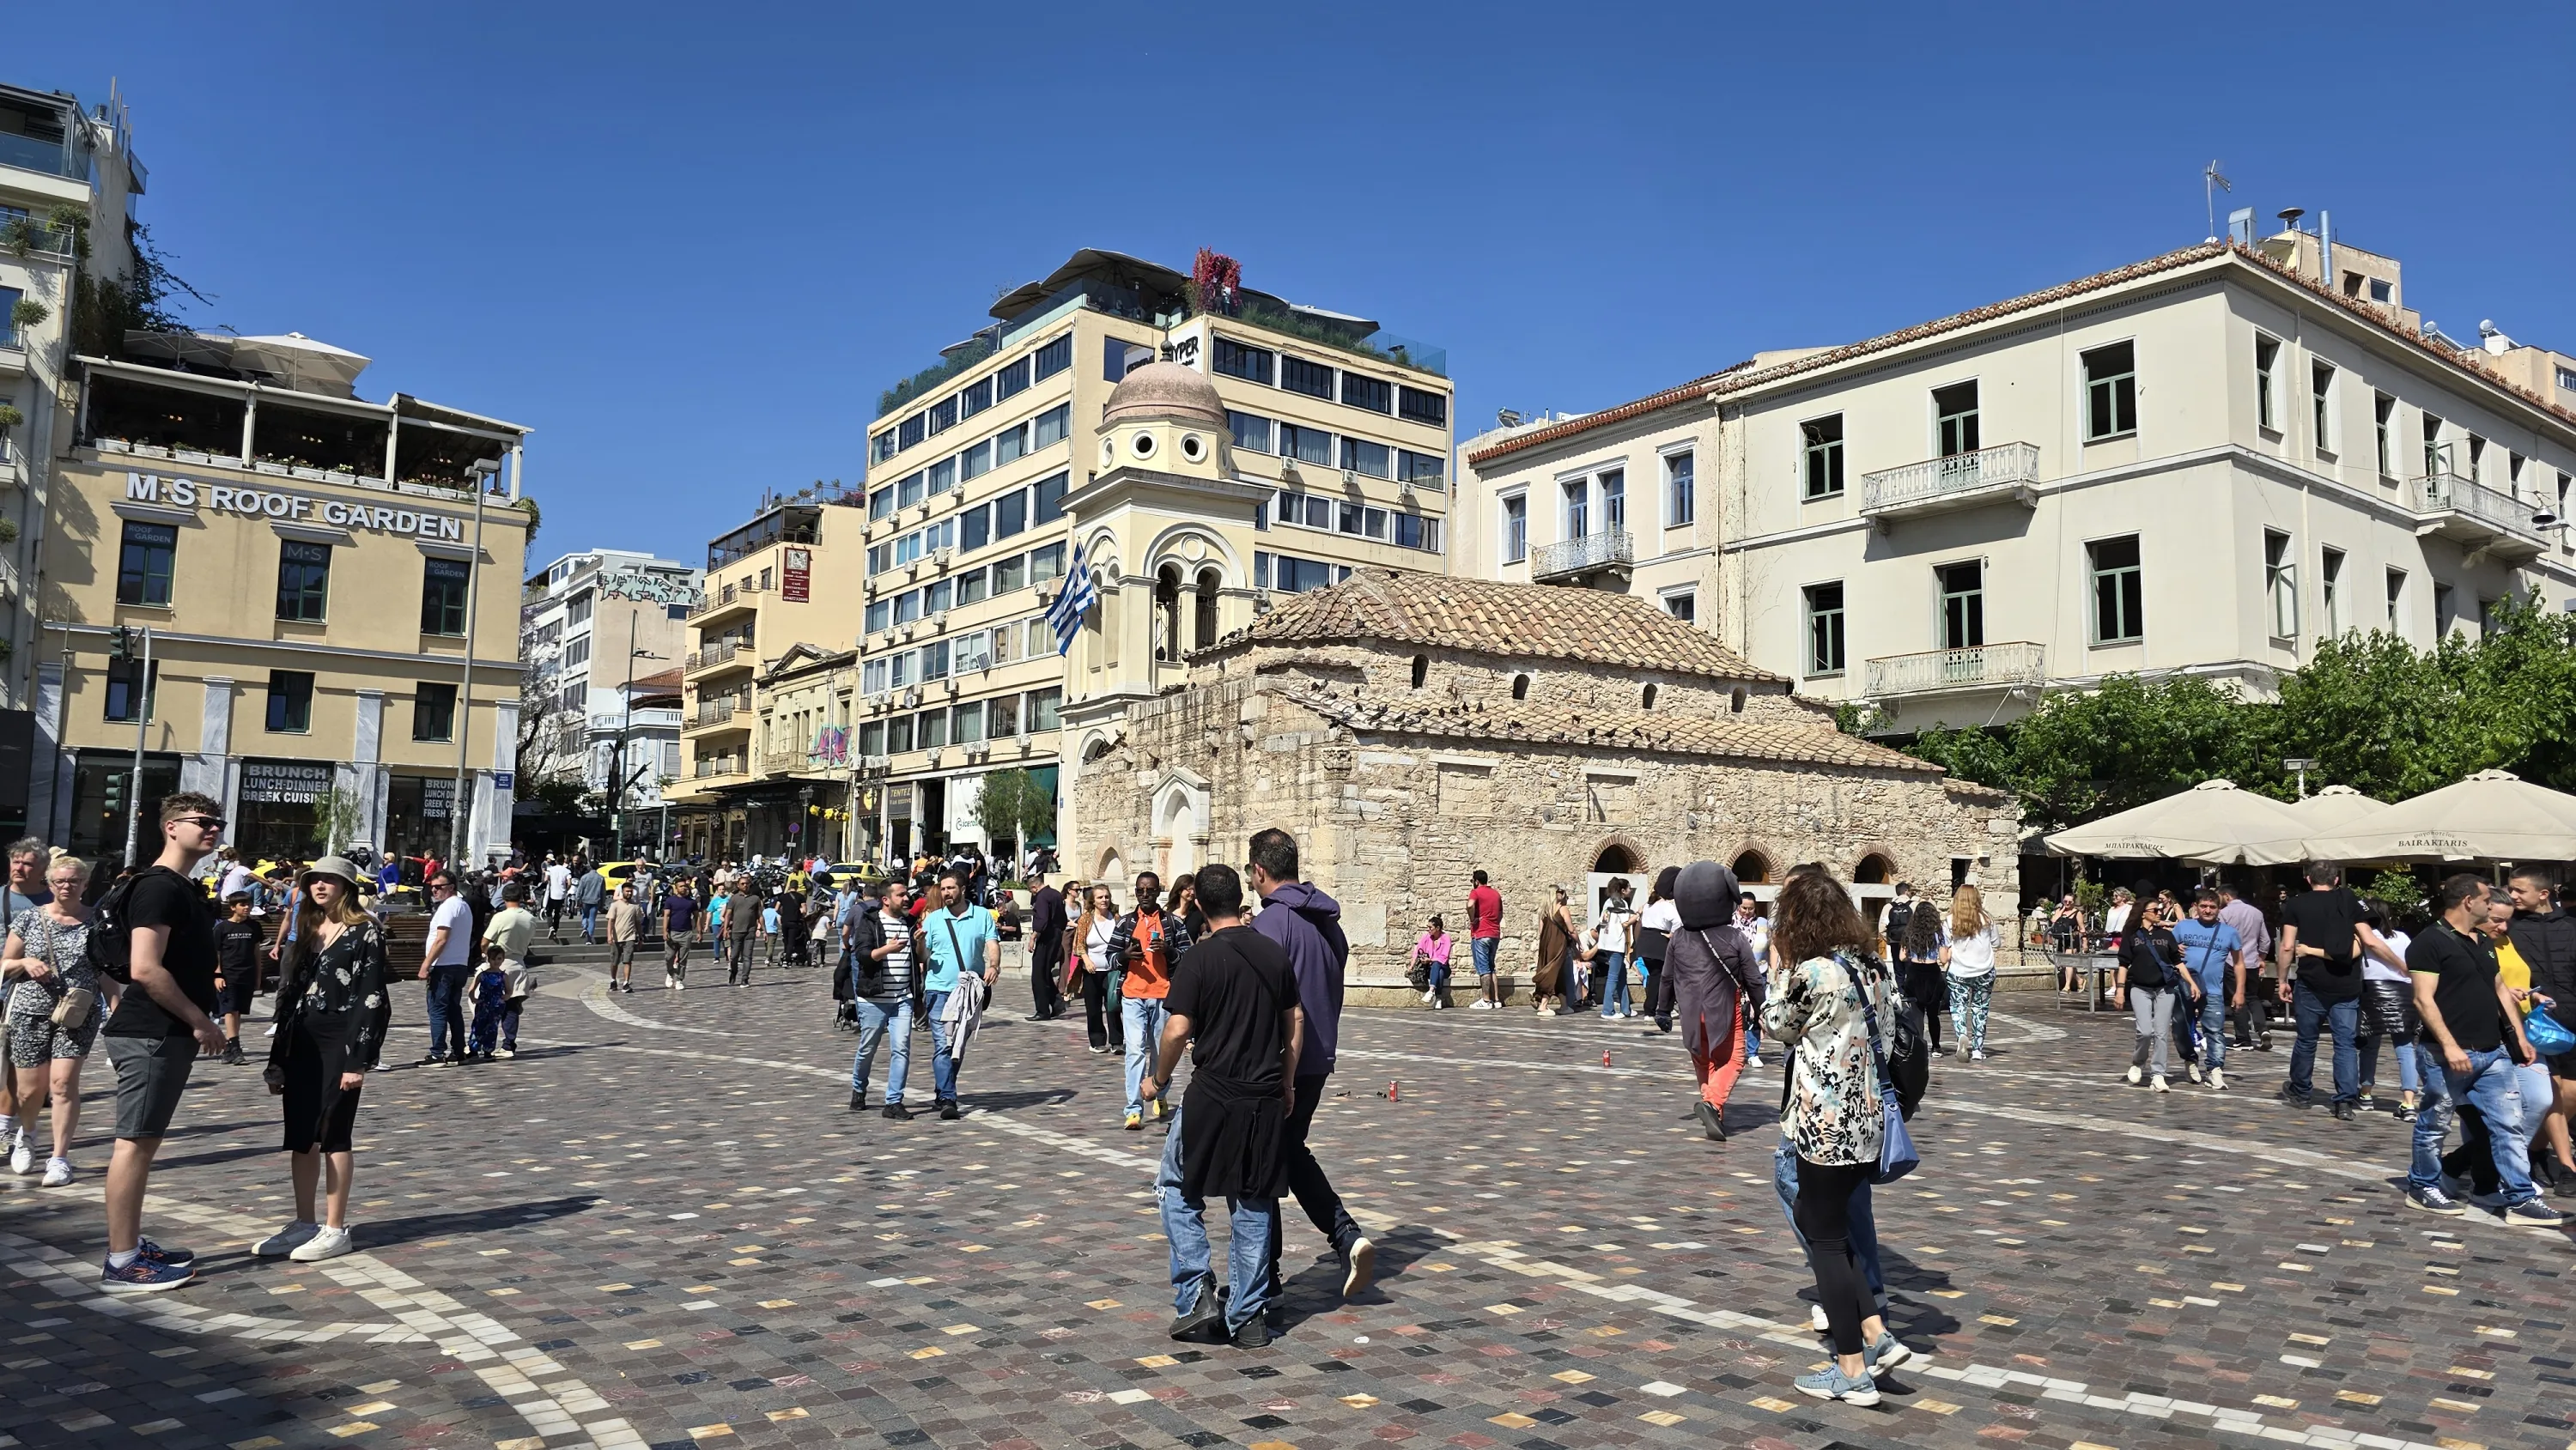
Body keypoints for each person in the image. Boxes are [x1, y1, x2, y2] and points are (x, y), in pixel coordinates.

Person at [1763, 868, 1911, 1404]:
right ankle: (1874, 1331)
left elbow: (1775, 1024)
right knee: (1821, 1221)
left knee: (1824, 1240)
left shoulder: (1814, 973)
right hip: (1869, 1121)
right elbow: (1888, 1035)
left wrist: (1778, 971)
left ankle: (1850, 1370)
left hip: (1825, 1125)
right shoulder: (1872, 966)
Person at [1139, 865, 1302, 1349]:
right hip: (1263, 1095)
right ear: (1239, 897)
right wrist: (1287, 1081)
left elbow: (1177, 1029)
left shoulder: (1200, 958)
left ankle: (1196, 1294)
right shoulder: (1272, 953)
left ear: (1200, 904)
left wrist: (1158, 1080)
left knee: (1174, 1185)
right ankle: (1248, 1317)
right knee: (1253, 1201)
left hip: (1212, 1093)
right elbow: (1294, 1019)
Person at [99, 792, 229, 1292]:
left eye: (218, 822)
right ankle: (122, 1260)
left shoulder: (179, 887)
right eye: (203, 821)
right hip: (152, 1033)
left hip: (159, 1032)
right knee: (134, 1144)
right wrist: (201, 1022)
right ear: (171, 827)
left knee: (143, 1143)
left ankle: (130, 1244)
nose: (213, 829)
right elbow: (145, 968)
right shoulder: (158, 887)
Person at [1245, 828, 1372, 1300]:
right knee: (1286, 1151)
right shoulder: (1327, 922)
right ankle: (1343, 1237)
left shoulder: (1270, 925)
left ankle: (1269, 1274)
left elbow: (1259, 998)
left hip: (1282, 1058)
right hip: (1320, 1055)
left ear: (1260, 871)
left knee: (1264, 1160)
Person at [2405, 874, 2565, 1226]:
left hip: (2494, 1052)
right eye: (2486, 901)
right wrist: (2450, 1046)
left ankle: (2520, 1198)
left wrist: (2519, 1037)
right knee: (2435, 1123)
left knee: (2509, 1124)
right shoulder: (2429, 942)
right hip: (2446, 1054)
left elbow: (2500, 990)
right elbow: (2422, 999)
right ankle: (2423, 1185)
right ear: (2468, 902)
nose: (2492, 906)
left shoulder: (2483, 941)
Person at [252, 857, 387, 1263]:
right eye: (315, 880)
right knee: (301, 1135)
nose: (320, 886)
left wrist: (358, 1060)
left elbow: (372, 997)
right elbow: (288, 995)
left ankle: (335, 1228)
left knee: (334, 1132)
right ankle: (304, 1222)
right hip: (300, 1040)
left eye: (330, 880)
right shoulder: (308, 928)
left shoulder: (365, 930)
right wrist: (277, 1059)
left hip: (339, 1041)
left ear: (347, 887)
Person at [3, 855, 103, 1186]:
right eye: (60, 881)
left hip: (77, 1013)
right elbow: (5, 963)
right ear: (49, 884)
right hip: (29, 1012)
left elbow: (105, 971)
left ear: (85, 884)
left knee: (63, 1084)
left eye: (74, 881)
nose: (67, 886)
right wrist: (25, 962)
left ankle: (59, 1159)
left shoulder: (97, 922)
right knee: (29, 1092)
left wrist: (117, 1007)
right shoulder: (31, 918)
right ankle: (27, 1133)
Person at [2278, 861, 2403, 1120]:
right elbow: (2370, 941)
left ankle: (2301, 1092)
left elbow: (2287, 946)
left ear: (2308, 879)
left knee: (2306, 1040)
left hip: (2311, 981)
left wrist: (2282, 980)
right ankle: (2345, 1101)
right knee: (2345, 1044)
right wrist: (2402, 966)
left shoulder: (2296, 904)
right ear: (2336, 880)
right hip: (2346, 983)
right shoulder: (2350, 901)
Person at [2488, 895, 2576, 1194]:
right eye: (2497, 919)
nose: (2504, 925)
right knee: (2488, 1108)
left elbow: (2521, 978)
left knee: (2544, 1098)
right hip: (2494, 1034)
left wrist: (2533, 994)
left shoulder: (2507, 940)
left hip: (2526, 1030)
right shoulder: (2478, 944)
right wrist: (2500, 994)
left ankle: (2532, 1153)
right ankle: (2487, 1167)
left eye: (2505, 920)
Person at [1667, 859, 1759, 1139]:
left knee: (1703, 1060)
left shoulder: (1678, 937)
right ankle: (1712, 1104)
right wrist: (1761, 1007)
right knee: (1734, 1058)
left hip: (1690, 1010)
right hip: (1724, 1007)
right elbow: (1753, 978)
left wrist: (1661, 1010)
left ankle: (1715, 1115)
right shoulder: (1734, 937)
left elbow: (1667, 977)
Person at [1110, 872, 1192, 1130]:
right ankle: (1134, 1110)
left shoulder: (1172, 923)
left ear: (1159, 892)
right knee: (1135, 1051)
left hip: (1163, 996)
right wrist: (1125, 956)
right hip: (1132, 995)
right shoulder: (1125, 923)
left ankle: (1160, 1092)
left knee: (1159, 1052)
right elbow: (1109, 958)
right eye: (1140, 890)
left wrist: (1168, 951)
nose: (1145, 895)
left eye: (1150, 890)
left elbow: (1189, 957)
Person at [917, 869, 1000, 1120]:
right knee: (943, 1044)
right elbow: (923, 956)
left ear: (963, 889)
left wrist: (994, 966)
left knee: (957, 1045)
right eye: (943, 889)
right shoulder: (933, 919)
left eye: (950, 888)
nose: (946, 893)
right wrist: (919, 943)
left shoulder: (982, 915)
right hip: (938, 989)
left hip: (968, 991)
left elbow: (993, 944)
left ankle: (943, 1089)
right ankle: (948, 1098)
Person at [847, 881, 925, 1118]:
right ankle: (859, 1088)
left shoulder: (909, 924)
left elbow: (918, 958)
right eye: (901, 895)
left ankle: (893, 1102)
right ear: (886, 900)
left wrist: (920, 942)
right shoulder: (870, 922)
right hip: (874, 999)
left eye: (907, 894)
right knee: (868, 1048)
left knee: (901, 1049)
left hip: (902, 999)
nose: (907, 898)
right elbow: (862, 955)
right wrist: (887, 949)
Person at [2113, 889, 2189, 1092]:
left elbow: (2177, 961)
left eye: (2160, 909)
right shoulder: (2131, 936)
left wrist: (2192, 983)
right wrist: (2120, 990)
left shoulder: (2166, 935)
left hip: (2165, 989)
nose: (2159, 912)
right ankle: (2138, 1062)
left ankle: (2158, 1074)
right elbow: (2123, 964)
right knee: (2145, 1031)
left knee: (2161, 1032)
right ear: (2143, 913)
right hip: (2140, 988)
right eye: (2155, 910)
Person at [2172, 888, 2248, 1092]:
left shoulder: (2229, 933)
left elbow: (2239, 963)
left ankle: (2215, 1069)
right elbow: (2165, 951)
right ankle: (2189, 1060)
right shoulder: (2183, 927)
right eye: (2203, 906)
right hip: (2184, 988)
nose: (2207, 910)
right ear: (2196, 907)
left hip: (2213, 990)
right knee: (2181, 1029)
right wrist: (2173, 948)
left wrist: (2239, 991)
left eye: (2212, 907)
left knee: (2215, 1031)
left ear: (2219, 909)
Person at [2356, 904, 2422, 1118]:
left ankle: (2366, 1092)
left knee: (2370, 1045)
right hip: (2403, 991)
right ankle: (2409, 1101)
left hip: (2373, 990)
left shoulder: (2364, 936)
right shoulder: (2402, 937)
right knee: (2405, 1048)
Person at [416, 871, 474, 1065]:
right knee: (453, 1010)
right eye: (432, 887)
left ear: (451, 887)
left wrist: (426, 964)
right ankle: (458, 1051)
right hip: (459, 964)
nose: (434, 890)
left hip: (444, 966)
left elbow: (441, 939)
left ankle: (437, 1053)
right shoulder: (463, 906)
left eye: (438, 887)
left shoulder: (448, 907)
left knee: (437, 1009)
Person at [1939, 884, 2000, 1061]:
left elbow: (1944, 946)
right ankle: (1978, 1050)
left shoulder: (1950, 921)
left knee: (1958, 1007)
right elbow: (1996, 943)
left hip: (1959, 971)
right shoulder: (1987, 919)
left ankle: (1961, 1035)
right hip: (1985, 971)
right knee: (1980, 1009)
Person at [482, 883, 539, 1059]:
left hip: (499, 964)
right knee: (512, 1006)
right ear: (521, 897)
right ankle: (509, 1044)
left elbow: (485, 941)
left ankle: (485, 1044)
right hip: (519, 964)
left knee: (490, 1006)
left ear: (503, 898)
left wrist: (486, 955)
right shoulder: (530, 918)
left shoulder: (501, 917)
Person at [2216, 883, 2275, 1050]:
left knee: (2237, 998)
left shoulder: (2224, 913)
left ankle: (2243, 1037)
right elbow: (2266, 940)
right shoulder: (2256, 913)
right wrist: (2261, 957)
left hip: (2232, 961)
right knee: (2252, 997)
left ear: (2226, 896)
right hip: (2252, 961)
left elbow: (2220, 938)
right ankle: (2263, 1029)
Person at [1071, 884, 1123, 1054]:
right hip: (1092, 969)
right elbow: (1079, 944)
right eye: (1100, 897)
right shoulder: (1086, 919)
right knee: (1093, 1007)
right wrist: (1086, 960)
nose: (1104, 900)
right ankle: (1097, 1041)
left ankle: (1117, 1041)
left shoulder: (1116, 918)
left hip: (1112, 969)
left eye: (1106, 897)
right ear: (1093, 901)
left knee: (1113, 1005)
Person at [1892, 896, 1947, 1059]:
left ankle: (1919, 1045)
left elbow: (1902, 957)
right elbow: (1943, 959)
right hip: (1932, 973)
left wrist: (1913, 955)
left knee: (1917, 1014)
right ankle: (1936, 1047)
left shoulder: (1909, 933)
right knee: (1933, 1014)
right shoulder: (1938, 934)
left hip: (1915, 972)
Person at [213, 891, 263, 1065]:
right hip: (228, 975)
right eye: (242, 904)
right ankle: (236, 1049)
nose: (247, 907)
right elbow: (216, 953)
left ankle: (228, 1049)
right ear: (233, 907)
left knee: (238, 1011)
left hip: (247, 974)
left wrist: (258, 976)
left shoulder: (254, 926)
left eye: (248, 904)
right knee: (230, 1010)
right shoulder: (222, 928)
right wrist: (217, 974)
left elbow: (257, 952)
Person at [1637, 867, 1679, 1030]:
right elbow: (1678, 921)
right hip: (1658, 941)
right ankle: (1654, 1009)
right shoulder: (1666, 906)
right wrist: (1672, 934)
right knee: (1661, 977)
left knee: (1655, 976)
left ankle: (1654, 1008)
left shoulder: (1648, 905)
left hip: (1646, 941)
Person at [1592, 878, 1637, 1020]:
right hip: (1616, 944)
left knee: (1622, 974)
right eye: (1629, 888)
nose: (1630, 890)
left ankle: (1626, 1009)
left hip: (1606, 943)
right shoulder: (1621, 903)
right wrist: (1637, 916)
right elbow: (1625, 923)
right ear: (1622, 890)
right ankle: (1607, 1010)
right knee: (1613, 977)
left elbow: (1602, 921)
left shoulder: (1608, 902)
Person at [1026, 872, 1067, 1022]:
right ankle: (1057, 1004)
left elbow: (1042, 919)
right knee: (1044, 972)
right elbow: (1063, 918)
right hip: (1057, 935)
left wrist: (1033, 937)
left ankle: (1042, 1011)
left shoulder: (1042, 897)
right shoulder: (1056, 894)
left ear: (1034, 888)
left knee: (1038, 975)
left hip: (1046, 936)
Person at [1735, 895, 1771, 1065]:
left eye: (1751, 908)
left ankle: (1752, 1052)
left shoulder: (1763, 923)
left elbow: (1771, 947)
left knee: (1756, 1012)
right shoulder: (1730, 924)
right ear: (1738, 907)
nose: (1747, 912)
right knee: (1734, 1012)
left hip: (1758, 973)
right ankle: (1733, 1050)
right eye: (1744, 908)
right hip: (1734, 974)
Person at [1467, 870, 1504, 1010]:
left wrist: (1473, 919)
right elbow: (1500, 914)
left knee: (1483, 968)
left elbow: (1470, 905)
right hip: (1494, 934)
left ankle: (1486, 1000)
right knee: (1491, 967)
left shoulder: (1475, 892)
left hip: (1481, 933)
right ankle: (1497, 1000)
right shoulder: (1496, 894)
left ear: (1476, 881)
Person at [1534, 886, 1574, 1016]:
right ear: (1554, 894)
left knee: (1558, 975)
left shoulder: (1543, 911)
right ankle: (1543, 1005)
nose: (1561, 894)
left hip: (1546, 946)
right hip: (1558, 946)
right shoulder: (1562, 909)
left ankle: (1564, 1006)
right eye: (1559, 892)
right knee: (1552, 974)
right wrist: (1578, 942)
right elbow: (1571, 929)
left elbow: (1541, 932)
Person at [605, 883, 647, 994]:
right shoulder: (615, 905)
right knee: (615, 961)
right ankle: (613, 980)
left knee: (627, 960)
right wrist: (609, 935)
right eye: (627, 891)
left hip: (630, 936)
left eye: (631, 891)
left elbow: (638, 922)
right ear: (622, 891)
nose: (629, 893)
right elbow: (610, 921)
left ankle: (626, 983)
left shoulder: (635, 906)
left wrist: (640, 937)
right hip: (617, 937)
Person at [1412, 916, 1454, 1010]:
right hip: (1430, 969)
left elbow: (1443, 958)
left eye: (1430, 927)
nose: (1428, 929)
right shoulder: (1426, 937)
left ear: (1438, 928)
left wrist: (1430, 960)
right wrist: (1412, 966)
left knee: (1438, 964)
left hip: (1444, 967)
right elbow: (1417, 951)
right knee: (1439, 972)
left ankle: (1431, 991)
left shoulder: (1446, 938)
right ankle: (1438, 998)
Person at [663, 878, 699, 988]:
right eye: (680, 886)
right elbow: (666, 916)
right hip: (672, 932)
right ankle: (670, 973)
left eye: (684, 886)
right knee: (669, 957)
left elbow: (697, 917)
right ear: (676, 888)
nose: (683, 888)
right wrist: (664, 931)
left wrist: (699, 931)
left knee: (683, 959)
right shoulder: (670, 900)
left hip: (686, 933)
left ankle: (679, 979)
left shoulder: (692, 902)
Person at [723, 883, 760, 988]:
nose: (745, 885)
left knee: (747, 956)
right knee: (734, 956)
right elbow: (728, 914)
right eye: (742, 884)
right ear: (738, 886)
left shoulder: (755, 898)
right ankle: (734, 972)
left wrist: (763, 929)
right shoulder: (734, 898)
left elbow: (760, 915)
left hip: (750, 931)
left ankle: (745, 978)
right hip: (736, 931)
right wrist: (725, 928)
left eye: (747, 884)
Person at [574, 860, 606, 944]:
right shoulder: (601, 878)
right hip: (595, 900)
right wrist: (602, 903)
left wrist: (577, 901)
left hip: (585, 900)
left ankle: (584, 927)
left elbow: (579, 890)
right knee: (592, 919)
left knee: (585, 915)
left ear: (590, 867)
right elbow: (603, 892)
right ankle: (589, 938)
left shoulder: (584, 877)